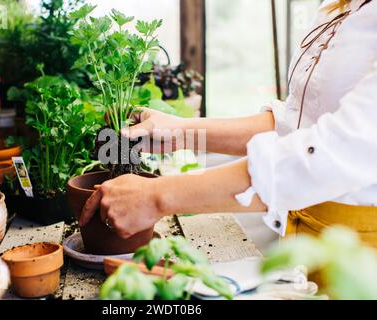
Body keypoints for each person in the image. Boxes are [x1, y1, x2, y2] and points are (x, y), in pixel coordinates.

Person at [80, 0, 377, 248]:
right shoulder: (338, 4)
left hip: (358, 250)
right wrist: (182, 133)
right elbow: (296, 123)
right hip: (303, 237)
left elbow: (335, 152)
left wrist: (157, 196)